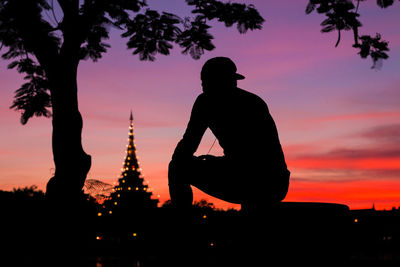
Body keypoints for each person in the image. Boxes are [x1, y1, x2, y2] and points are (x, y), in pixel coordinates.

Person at [168, 57, 290, 211]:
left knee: (177, 167)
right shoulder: (252, 102)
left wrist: (218, 162)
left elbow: (255, 156)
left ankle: (183, 222)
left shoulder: (210, 103)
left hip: (259, 180)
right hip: (272, 182)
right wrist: (220, 161)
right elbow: (189, 143)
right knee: (178, 165)